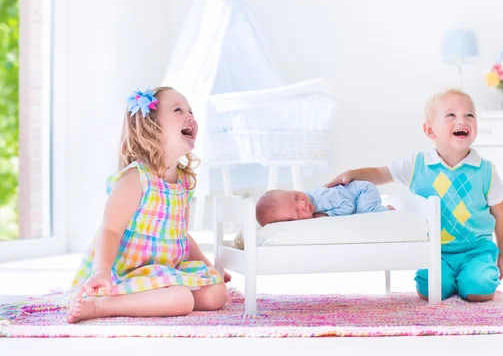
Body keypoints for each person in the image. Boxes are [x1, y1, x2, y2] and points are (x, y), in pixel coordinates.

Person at [326, 89, 503, 302]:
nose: (462, 120)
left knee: (480, 291)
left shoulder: (486, 171)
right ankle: (454, 279)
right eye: (451, 115)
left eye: (470, 115)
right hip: (434, 252)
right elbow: (380, 173)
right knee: (430, 290)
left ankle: (470, 276)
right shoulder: (417, 165)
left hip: (477, 250)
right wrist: (352, 174)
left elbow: (501, 216)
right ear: (430, 130)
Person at [68, 87, 229, 323]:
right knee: (181, 299)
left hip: (161, 272)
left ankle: (156, 298)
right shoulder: (136, 178)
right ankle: (100, 305)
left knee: (217, 294)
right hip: (125, 273)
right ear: (151, 128)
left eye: (191, 111)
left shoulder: (184, 182)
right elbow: (110, 230)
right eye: (178, 110)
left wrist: (210, 268)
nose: (190, 116)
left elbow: (182, 236)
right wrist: (101, 271)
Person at [255, 180, 394, 227]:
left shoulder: (323, 198)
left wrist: (328, 215)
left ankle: (387, 210)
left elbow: (349, 206)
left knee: (366, 213)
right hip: (356, 196)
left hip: (362, 192)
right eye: (298, 212)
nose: (303, 204)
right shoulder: (310, 207)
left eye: (296, 197)